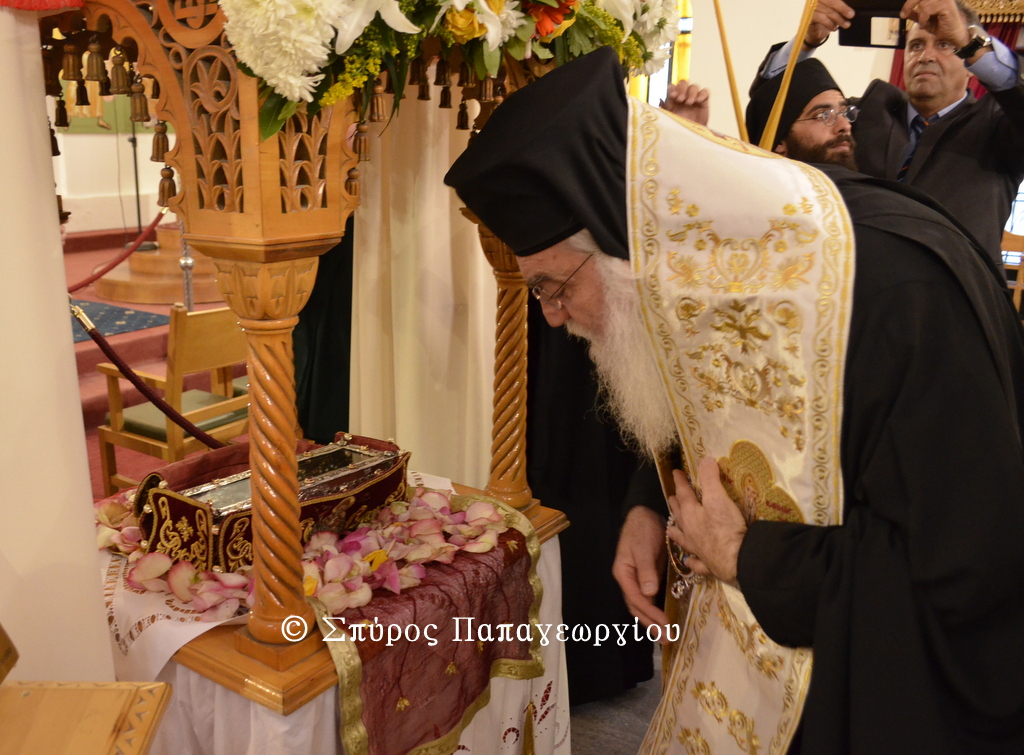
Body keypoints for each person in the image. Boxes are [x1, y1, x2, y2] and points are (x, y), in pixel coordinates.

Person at [445, 46, 1024, 753]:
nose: (555, 317)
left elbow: (968, 575)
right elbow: (716, 400)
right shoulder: (717, 267)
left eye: (553, 287)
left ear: (629, 244)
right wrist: (651, 502)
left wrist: (748, 557)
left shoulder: (901, 293)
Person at [752, 0, 1024, 268]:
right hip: (858, 281)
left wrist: (971, 42)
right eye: (916, 45)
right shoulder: (862, 112)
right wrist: (805, 41)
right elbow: (771, 107)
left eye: (944, 44)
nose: (926, 56)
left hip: (958, 287)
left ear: (970, 64)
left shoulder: (1000, 123)